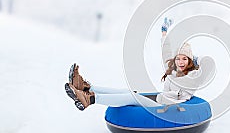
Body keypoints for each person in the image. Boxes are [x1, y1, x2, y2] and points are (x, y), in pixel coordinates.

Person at [65, 17, 214, 111]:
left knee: (132, 97)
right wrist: (164, 32)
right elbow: (166, 50)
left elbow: (209, 65)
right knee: (130, 90)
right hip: (161, 99)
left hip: (168, 108)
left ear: (190, 61)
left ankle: (89, 99)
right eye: (178, 58)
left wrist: (195, 58)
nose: (180, 62)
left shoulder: (194, 76)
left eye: (185, 59)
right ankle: (86, 87)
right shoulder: (173, 70)